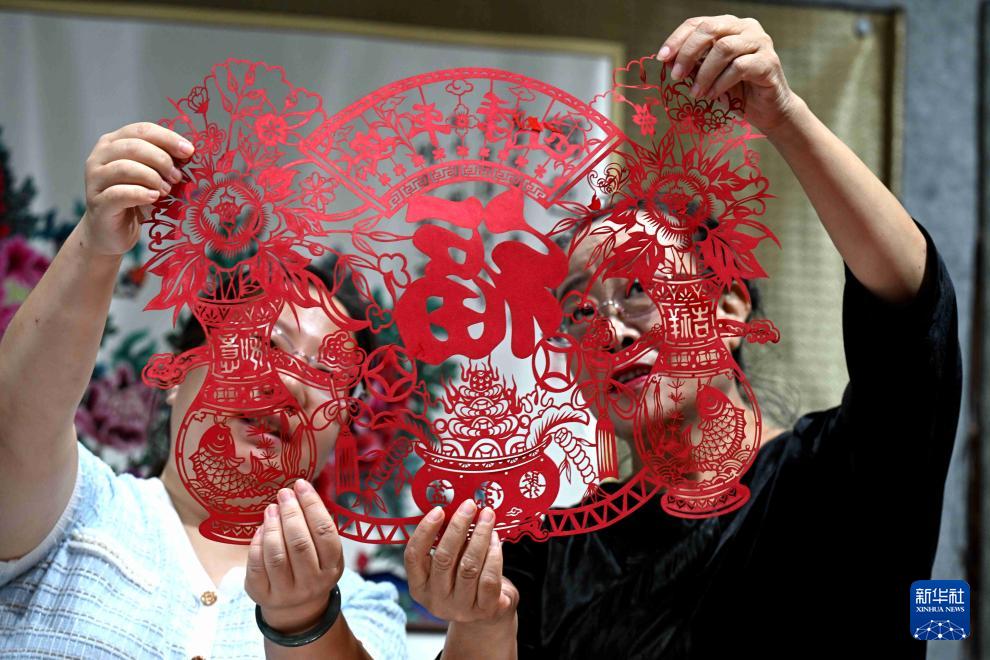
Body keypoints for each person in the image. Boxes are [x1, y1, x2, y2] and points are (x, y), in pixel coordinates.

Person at [403, 14, 961, 659]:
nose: (610, 329)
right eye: (579, 313)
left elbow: (910, 306)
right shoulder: (549, 551)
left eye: (640, 289)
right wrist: (479, 624)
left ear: (729, 309)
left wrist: (784, 116)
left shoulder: (843, 477)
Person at [0, 123, 407, 658]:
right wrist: (97, 244)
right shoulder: (74, 510)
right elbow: (18, 423)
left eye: (330, 375)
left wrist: (305, 621)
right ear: (175, 375)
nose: (291, 383)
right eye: (268, 344)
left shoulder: (361, 608)